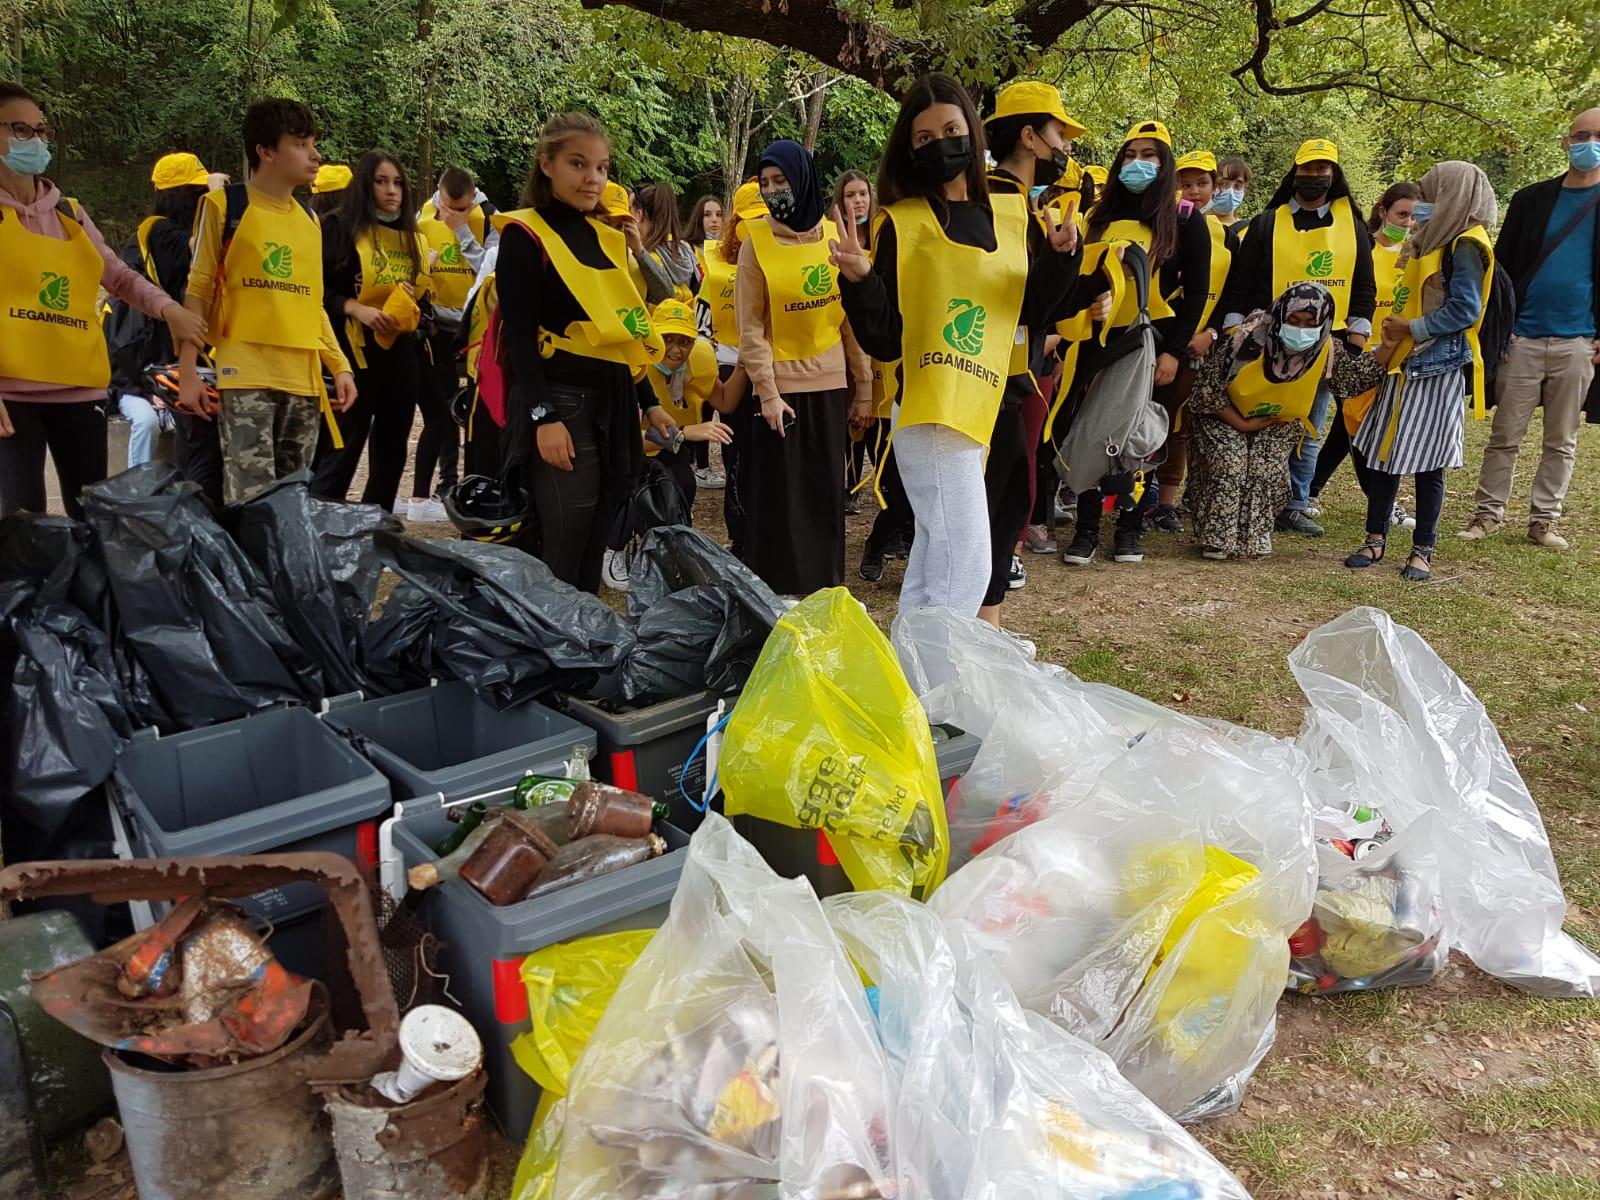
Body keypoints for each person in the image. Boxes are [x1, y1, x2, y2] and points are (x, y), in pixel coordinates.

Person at [835, 72, 1080, 615]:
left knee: (937, 561)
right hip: (934, 409)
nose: (941, 144)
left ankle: (920, 684)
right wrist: (859, 281)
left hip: (997, 400)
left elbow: (1033, 312)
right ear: (909, 149)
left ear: (972, 129)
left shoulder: (1014, 215)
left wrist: (1062, 259)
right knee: (965, 563)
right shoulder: (900, 223)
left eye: (951, 128)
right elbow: (885, 338)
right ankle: (943, 691)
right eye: (924, 138)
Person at [0, 81, 208, 519]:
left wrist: (170, 309)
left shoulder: (68, 212)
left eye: (41, 130)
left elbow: (118, 275)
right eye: (21, 130)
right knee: (23, 531)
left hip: (80, 390)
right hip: (12, 393)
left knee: (93, 523)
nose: (36, 141)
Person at [491, 111, 659, 593]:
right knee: (564, 542)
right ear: (547, 164)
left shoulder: (606, 237)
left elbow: (620, 330)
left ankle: (584, 649)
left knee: (594, 540)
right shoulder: (525, 235)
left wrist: (648, 400)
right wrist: (543, 417)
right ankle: (554, 653)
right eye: (579, 164)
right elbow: (519, 335)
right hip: (561, 402)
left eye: (602, 168)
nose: (594, 178)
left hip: (614, 403)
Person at [178, 98, 356, 504]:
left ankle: (284, 570)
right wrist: (188, 371)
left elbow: (312, 304)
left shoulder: (310, 220)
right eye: (300, 143)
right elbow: (199, 290)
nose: (315, 155)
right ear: (266, 151)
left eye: (313, 142)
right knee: (250, 500)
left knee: (293, 501)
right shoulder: (226, 206)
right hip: (246, 376)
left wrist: (339, 365)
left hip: (302, 378)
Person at [1059, 119, 1212, 567]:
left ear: (1164, 165)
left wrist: (1173, 352)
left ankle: (1129, 527)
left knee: (1135, 438)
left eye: (1149, 156)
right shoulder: (1098, 216)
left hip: (1151, 341)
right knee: (1090, 430)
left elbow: (1197, 292)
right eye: (1130, 155)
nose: (1138, 164)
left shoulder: (1186, 219)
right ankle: (1086, 528)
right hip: (1095, 340)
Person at [968, 79, 1089, 621]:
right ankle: (979, 620)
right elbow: (1020, 303)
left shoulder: (1021, 204)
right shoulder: (996, 203)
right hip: (988, 381)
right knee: (995, 500)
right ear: (1029, 137)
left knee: (1008, 497)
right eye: (1059, 133)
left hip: (1012, 375)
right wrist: (1063, 268)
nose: (1065, 147)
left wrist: (1079, 274)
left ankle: (987, 620)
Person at [1217, 137, 1376, 538]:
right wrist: (1235, 331)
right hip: (1263, 343)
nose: (1314, 177)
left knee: (1309, 425)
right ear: (1295, 173)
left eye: (1322, 170)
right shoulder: (1267, 223)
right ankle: (1245, 497)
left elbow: (1363, 288)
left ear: (1334, 175)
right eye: (1306, 169)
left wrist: (1353, 343)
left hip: (1322, 347)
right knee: (1255, 417)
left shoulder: (1353, 227)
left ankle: (1296, 502)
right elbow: (1242, 282)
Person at [1347, 161, 1496, 581]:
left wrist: (1412, 328)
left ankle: (1422, 551)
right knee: (1384, 453)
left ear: (1452, 197)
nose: (1422, 207)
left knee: (1429, 463)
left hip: (1435, 367)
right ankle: (1375, 539)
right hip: (1404, 362)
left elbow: (1465, 310)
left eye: (1430, 197)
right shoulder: (1433, 241)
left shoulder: (1466, 245)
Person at [738, 137, 874, 597]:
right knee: (781, 500)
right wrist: (768, 392)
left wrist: (865, 388)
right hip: (779, 393)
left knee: (824, 495)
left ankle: (824, 592)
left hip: (831, 388)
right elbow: (751, 327)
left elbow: (852, 322)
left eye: (782, 180)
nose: (774, 190)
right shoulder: (754, 243)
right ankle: (777, 598)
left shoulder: (837, 238)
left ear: (803, 179)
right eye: (766, 183)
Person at [1461, 108, 1600, 550]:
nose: (1588, 143)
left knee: (1562, 439)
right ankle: (1487, 513)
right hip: (1522, 338)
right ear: (1566, 141)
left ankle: (1544, 520)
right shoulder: (1530, 200)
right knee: (1505, 435)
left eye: (1598, 136)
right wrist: (1501, 332)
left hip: (1578, 341)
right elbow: (1499, 274)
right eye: (1582, 134)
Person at [1188, 283, 1388, 559]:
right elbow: (1206, 394)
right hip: (1222, 416)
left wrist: (1387, 350)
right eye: (1293, 321)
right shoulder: (1245, 341)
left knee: (1263, 470)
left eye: (1310, 323)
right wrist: (1243, 424)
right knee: (1230, 464)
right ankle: (1218, 538)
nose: (1301, 331)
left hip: (1277, 422)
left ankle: (1252, 536)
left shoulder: (1327, 349)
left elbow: (1350, 382)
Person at [312, 149, 433, 515]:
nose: (391, 191)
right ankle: (318, 532)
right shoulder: (336, 226)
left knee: (392, 453)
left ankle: (374, 532)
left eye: (397, 183)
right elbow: (317, 292)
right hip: (351, 355)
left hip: (399, 355)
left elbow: (426, 307)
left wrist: (411, 311)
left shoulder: (414, 238)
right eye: (381, 182)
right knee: (341, 451)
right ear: (365, 185)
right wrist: (356, 308)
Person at [1307, 181, 1421, 520]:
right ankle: (1383, 506)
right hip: (1357, 354)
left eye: (1415, 217)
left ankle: (1309, 490)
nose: (1408, 224)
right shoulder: (1362, 249)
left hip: (1396, 357)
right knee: (1358, 424)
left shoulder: (1417, 257)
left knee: (1348, 430)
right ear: (1383, 210)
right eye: (1402, 215)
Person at [1147, 148, 1239, 534]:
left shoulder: (1228, 236)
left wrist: (1212, 333)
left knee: (1180, 424)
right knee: (1150, 417)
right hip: (1163, 337)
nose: (1195, 191)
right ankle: (1135, 494)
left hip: (1203, 344)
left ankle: (1166, 502)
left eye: (1202, 183)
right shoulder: (1161, 225)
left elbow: (1235, 291)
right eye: (1185, 183)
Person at [117, 153, 219, 496]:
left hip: (177, 359)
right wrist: (217, 202)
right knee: (199, 455)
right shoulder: (159, 232)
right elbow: (203, 251)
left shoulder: (161, 235)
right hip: (169, 363)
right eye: (199, 193)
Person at [413, 168, 499, 516]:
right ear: (439, 194)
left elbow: (490, 271)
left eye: (464, 208)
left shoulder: (490, 217)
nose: (455, 214)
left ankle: (473, 480)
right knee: (444, 408)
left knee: (475, 410)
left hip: (475, 331)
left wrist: (463, 231)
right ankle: (446, 482)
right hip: (437, 328)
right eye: (451, 208)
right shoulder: (423, 215)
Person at [699, 181, 765, 555]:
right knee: (736, 458)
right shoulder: (717, 267)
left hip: (776, 371)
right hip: (730, 370)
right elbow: (700, 322)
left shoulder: (784, 257)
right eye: (749, 220)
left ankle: (767, 532)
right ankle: (740, 537)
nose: (756, 228)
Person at [635, 297, 742, 510]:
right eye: (667, 339)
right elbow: (630, 442)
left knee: (684, 484)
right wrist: (683, 433)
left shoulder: (696, 363)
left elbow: (724, 402)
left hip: (672, 452)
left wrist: (745, 362)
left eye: (685, 342)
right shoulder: (637, 368)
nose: (676, 351)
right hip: (634, 460)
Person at [834, 168, 881, 512]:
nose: (857, 201)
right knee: (852, 419)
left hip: (885, 349)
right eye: (850, 195)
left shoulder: (885, 238)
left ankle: (885, 493)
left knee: (880, 425)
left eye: (862, 194)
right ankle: (849, 486)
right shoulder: (832, 244)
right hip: (847, 351)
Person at [633, 181, 700, 305]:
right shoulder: (688, 250)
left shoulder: (641, 257)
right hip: (689, 321)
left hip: (654, 323)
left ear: (638, 214)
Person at [1211, 157, 1252, 229]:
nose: (1230, 191)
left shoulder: (1248, 233)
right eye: (1223, 184)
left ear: (1244, 190)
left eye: (1237, 186)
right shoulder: (1195, 226)